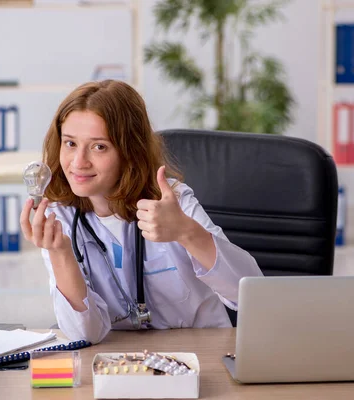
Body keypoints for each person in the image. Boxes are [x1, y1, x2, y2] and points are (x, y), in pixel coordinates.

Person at [20, 80, 262, 344]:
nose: (78, 163)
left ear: (130, 151)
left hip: (201, 356)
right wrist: (60, 253)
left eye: (99, 146)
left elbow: (251, 294)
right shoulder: (60, 218)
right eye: (70, 144)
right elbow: (86, 334)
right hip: (116, 364)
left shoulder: (174, 201)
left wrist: (186, 231)